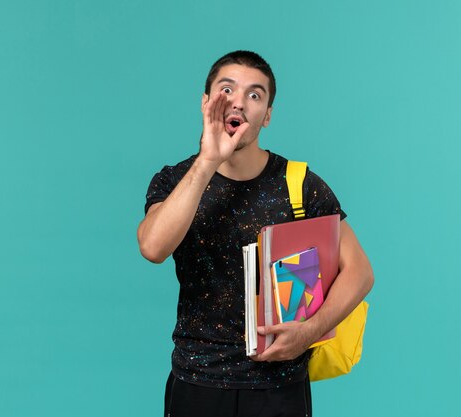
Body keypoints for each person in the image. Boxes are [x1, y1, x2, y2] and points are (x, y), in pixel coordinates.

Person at [137, 50, 374, 417]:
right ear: (206, 102)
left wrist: (310, 332)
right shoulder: (175, 180)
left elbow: (360, 271)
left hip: (280, 389)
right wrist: (208, 160)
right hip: (197, 384)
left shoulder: (301, 185)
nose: (239, 102)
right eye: (226, 89)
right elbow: (152, 247)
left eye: (255, 95)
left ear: (267, 116)